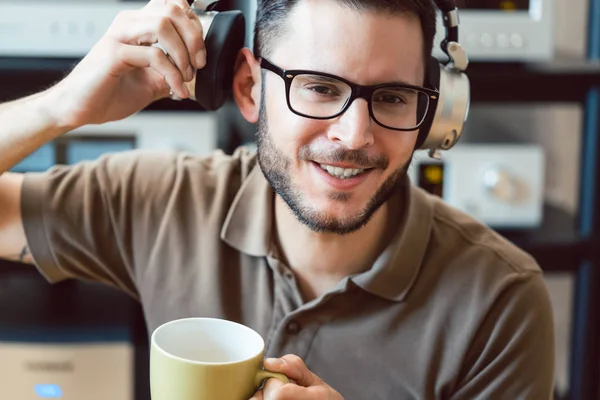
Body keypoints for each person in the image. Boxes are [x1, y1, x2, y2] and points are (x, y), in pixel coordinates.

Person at [0, 0, 556, 398]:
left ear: (430, 116)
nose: (354, 135)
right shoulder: (164, 200)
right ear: (248, 89)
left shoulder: (501, 302)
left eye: (391, 97)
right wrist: (63, 107)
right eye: (319, 87)